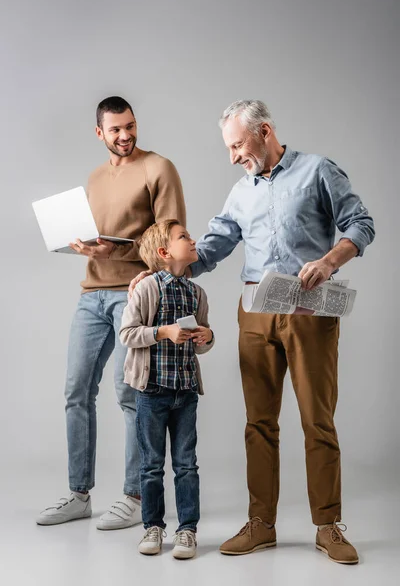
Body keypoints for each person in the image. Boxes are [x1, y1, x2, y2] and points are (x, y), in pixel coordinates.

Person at [129, 100, 375, 564]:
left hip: (309, 312)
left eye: (238, 145)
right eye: (229, 148)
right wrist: (155, 270)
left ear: (264, 131)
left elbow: (362, 224)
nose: (233, 156)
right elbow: (209, 249)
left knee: (317, 421)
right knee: (259, 423)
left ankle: (328, 525)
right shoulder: (240, 193)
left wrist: (328, 261)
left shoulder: (318, 171)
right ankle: (261, 523)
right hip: (255, 313)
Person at [36, 96, 186, 530]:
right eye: (115, 130)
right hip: (91, 294)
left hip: (135, 292)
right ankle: (79, 494)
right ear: (99, 133)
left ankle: (134, 495)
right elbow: (98, 235)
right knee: (76, 391)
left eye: (130, 126)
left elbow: (171, 240)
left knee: (128, 394)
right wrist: (82, 245)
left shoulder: (159, 168)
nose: (125, 136)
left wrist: (116, 250)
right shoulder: (95, 177)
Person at [120, 220, 214, 558]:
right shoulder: (147, 289)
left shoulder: (197, 293)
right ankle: (153, 528)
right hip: (153, 392)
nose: (192, 240)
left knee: (187, 464)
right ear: (164, 252)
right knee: (151, 464)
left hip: (186, 392)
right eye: (183, 237)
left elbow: (201, 342)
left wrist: (207, 337)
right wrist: (164, 332)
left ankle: (187, 530)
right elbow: (127, 334)